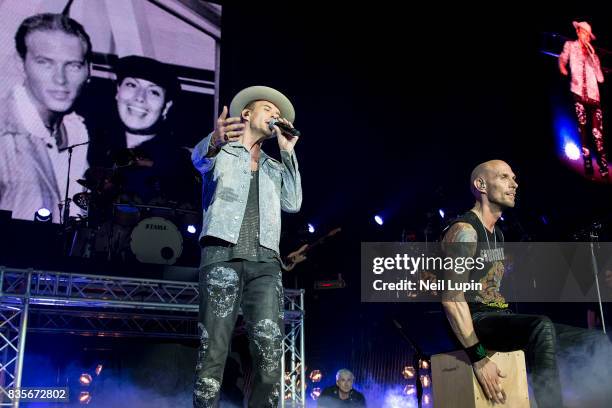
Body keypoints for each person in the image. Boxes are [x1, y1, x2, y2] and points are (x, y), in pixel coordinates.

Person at [440, 159, 611, 407]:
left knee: (595, 341)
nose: (514, 184)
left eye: (514, 178)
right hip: (474, 321)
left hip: (497, 317)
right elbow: (451, 300)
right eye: (504, 177)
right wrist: (478, 357)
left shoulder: (497, 234)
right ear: (481, 185)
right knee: (540, 326)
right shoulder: (465, 231)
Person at [191, 85, 302, 407]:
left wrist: (288, 151)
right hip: (221, 256)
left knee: (270, 355)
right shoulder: (221, 152)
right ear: (247, 114)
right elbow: (198, 160)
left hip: (266, 263)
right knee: (214, 351)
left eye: (278, 114)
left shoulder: (273, 165)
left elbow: (292, 203)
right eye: (269, 109)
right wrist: (213, 140)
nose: (275, 116)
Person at [0, 13, 91, 223]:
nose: (60, 79)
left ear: (88, 70)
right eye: (45, 63)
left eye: (73, 65)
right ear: (20, 63)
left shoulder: (78, 132)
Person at [88, 55, 197, 206]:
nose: (140, 98)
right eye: (132, 85)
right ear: (118, 91)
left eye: (153, 92)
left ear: (166, 106)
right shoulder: (93, 146)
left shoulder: (176, 158)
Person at [559, 21, 608, 179]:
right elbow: (562, 58)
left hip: (594, 97)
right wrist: (563, 68)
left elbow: (600, 79)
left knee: (597, 134)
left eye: (588, 35)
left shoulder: (592, 53)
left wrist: (594, 58)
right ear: (578, 32)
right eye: (583, 33)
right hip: (578, 93)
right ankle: (588, 164)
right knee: (583, 130)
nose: (585, 36)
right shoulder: (570, 45)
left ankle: (603, 165)